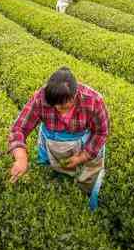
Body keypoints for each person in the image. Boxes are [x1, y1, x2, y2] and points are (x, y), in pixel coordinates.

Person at [8, 67, 108, 210]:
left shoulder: (93, 101)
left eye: (62, 105)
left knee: (87, 177)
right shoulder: (40, 98)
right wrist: (21, 158)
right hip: (52, 139)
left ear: (74, 96)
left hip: (84, 141)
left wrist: (82, 157)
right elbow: (19, 129)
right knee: (55, 174)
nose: (57, 108)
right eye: (53, 104)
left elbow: (101, 132)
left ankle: (84, 202)